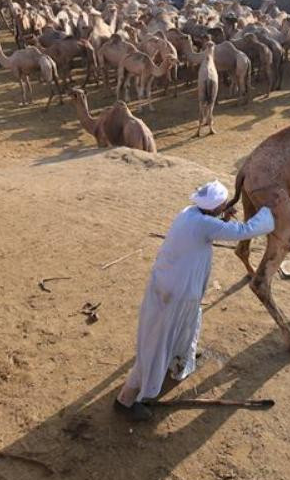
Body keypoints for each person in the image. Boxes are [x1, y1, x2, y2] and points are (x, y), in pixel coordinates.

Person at [115, 181, 275, 422]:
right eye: (222, 205)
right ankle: (133, 399)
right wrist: (270, 211)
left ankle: (178, 361)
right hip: (177, 294)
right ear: (214, 208)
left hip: (166, 285)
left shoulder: (188, 214)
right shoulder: (205, 225)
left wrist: (222, 217)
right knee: (157, 344)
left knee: (174, 332)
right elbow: (244, 231)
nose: (226, 207)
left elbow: (210, 229)